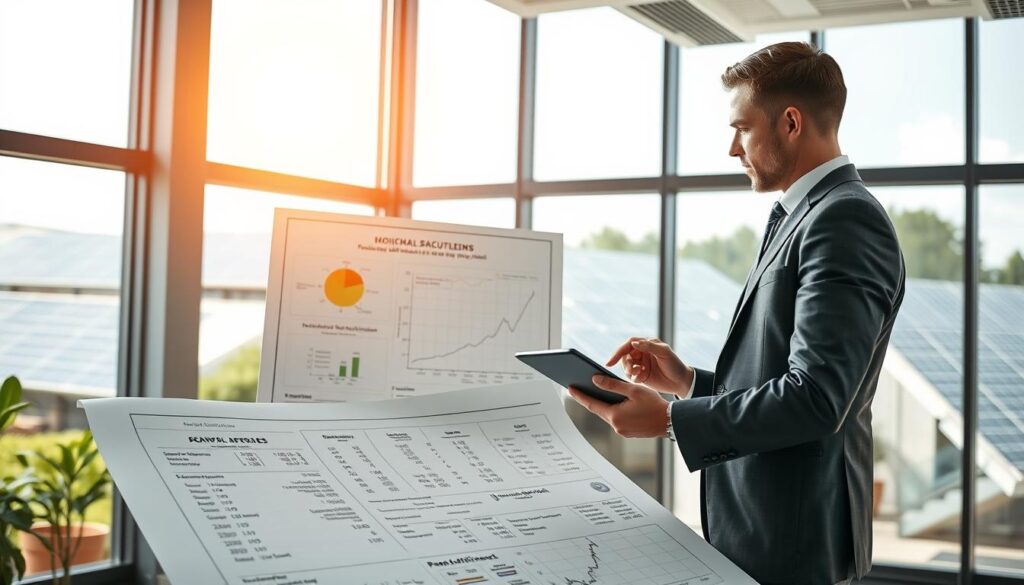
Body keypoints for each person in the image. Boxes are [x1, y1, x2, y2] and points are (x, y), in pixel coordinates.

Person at [568, 42, 905, 585]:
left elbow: (817, 398)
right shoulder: (805, 215)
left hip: (793, 543)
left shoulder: (843, 221)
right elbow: (779, 376)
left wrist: (670, 422)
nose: (732, 148)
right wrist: (688, 383)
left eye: (742, 128)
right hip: (769, 534)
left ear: (791, 123)